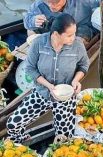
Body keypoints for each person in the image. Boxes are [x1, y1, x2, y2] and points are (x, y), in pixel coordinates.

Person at [7, 13, 89, 143]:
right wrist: (49, 86)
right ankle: (22, 142)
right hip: (42, 93)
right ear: (56, 34)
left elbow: (84, 65)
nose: (73, 38)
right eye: (69, 35)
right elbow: (30, 68)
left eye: (74, 33)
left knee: (64, 137)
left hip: (65, 97)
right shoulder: (39, 43)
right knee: (13, 124)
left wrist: (76, 80)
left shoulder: (78, 46)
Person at [24, 0, 103, 43]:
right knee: (30, 30)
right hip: (54, 32)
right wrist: (33, 21)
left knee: (79, 40)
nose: (52, 7)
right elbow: (26, 20)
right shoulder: (38, 5)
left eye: (56, 3)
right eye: (48, 3)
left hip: (80, 28)